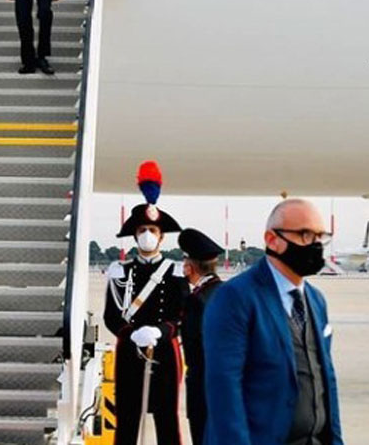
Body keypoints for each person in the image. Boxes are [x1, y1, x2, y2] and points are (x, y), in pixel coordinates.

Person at [203, 199, 344, 445]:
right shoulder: (235, 297)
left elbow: (326, 380)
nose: (315, 245)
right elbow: (224, 388)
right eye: (305, 234)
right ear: (272, 239)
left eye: (320, 237)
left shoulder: (316, 300)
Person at [103, 161, 187, 445]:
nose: (147, 234)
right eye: (142, 229)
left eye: (152, 229)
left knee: (167, 420)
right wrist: (131, 334)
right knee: (126, 419)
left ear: (161, 235)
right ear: (135, 234)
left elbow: (180, 315)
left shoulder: (175, 271)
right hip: (130, 351)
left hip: (164, 351)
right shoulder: (120, 271)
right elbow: (111, 316)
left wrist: (160, 332)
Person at [178, 228, 224, 445]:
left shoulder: (196, 300)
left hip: (204, 387)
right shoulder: (227, 291)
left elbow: (195, 350)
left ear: (190, 267)